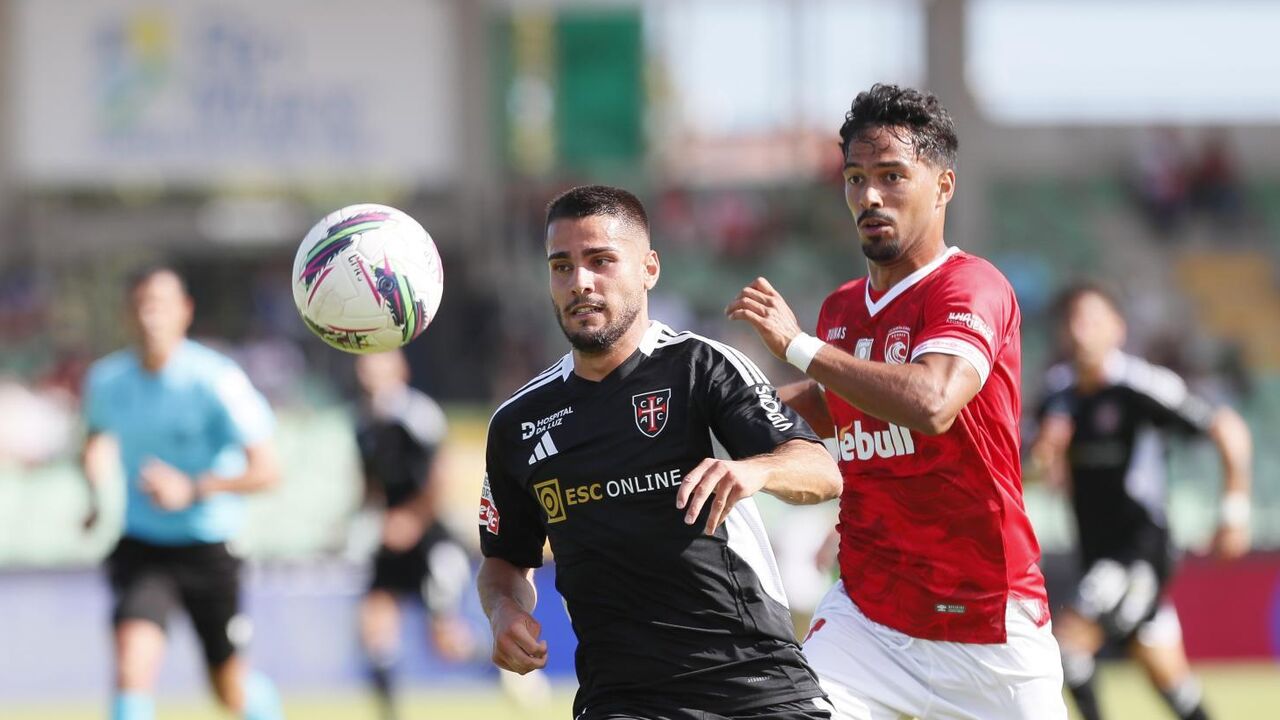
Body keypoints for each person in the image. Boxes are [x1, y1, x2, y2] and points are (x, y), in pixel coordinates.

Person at [727, 83, 1066, 720]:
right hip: (870, 617)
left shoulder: (974, 285)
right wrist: (721, 415)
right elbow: (830, 403)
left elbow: (933, 401)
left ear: (943, 185)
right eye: (855, 178)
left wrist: (797, 345)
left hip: (990, 625)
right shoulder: (842, 309)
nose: (869, 196)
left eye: (891, 175)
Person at [476, 184, 843, 720]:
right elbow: (504, 559)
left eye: (601, 261)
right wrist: (504, 610)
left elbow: (821, 470)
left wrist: (754, 471)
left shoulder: (702, 369)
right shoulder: (518, 423)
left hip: (754, 683)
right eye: (562, 266)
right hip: (621, 700)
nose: (581, 282)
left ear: (649, 268)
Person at [1028, 283, 1252, 720]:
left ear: (1118, 329)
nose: (1080, 331)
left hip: (1141, 550)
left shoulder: (1141, 386)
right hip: (1096, 553)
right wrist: (1044, 458)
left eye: (1092, 319)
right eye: (1072, 320)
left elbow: (1228, 429)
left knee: (1069, 646)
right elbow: (1031, 474)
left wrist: (1234, 514)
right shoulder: (1057, 394)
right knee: (1172, 683)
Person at [81, 266, 284, 720]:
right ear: (126, 316)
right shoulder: (106, 382)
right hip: (143, 545)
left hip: (209, 547)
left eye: (160, 305)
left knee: (228, 688)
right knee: (132, 667)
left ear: (185, 312)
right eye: (140, 306)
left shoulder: (216, 380)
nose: (150, 317)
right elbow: (95, 440)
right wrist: (96, 493)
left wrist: (192, 489)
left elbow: (269, 471)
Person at [352, 350, 475, 720]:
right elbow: (370, 483)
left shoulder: (418, 415)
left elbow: (441, 477)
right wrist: (366, 517)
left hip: (429, 539)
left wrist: (412, 518)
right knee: (372, 627)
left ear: (400, 369)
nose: (370, 371)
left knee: (445, 643)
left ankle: (499, 667)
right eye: (365, 364)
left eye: (379, 363)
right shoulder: (362, 423)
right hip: (390, 539)